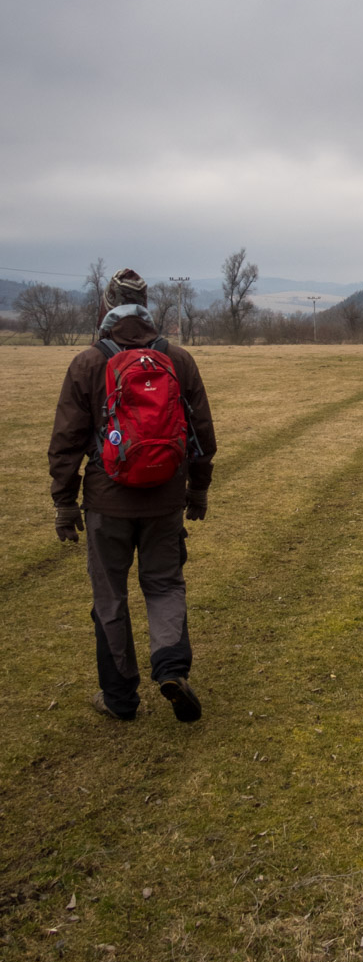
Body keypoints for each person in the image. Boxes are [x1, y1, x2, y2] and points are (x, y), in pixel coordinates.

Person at [48, 268, 216, 723]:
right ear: (148, 305)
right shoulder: (177, 359)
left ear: (106, 306)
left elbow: (67, 440)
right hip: (165, 498)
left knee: (110, 597)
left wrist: (64, 503)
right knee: (164, 585)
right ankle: (171, 669)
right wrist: (197, 491)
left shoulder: (88, 362)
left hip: (107, 501)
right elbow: (201, 433)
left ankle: (120, 699)